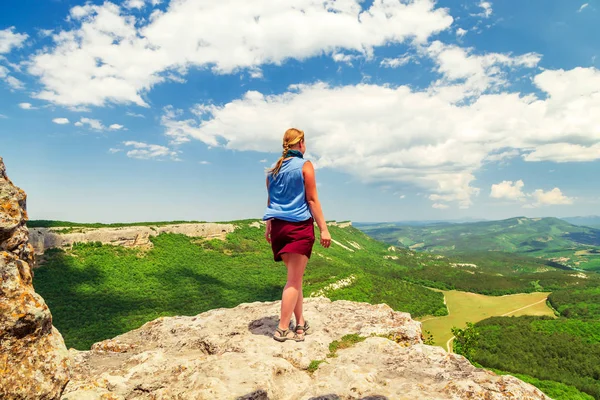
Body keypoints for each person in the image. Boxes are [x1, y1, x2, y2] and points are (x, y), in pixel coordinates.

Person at [263, 128, 331, 342]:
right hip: (298, 228)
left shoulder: (273, 171)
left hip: (279, 229)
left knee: (296, 279)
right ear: (300, 143)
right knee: (293, 281)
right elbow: (311, 200)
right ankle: (283, 328)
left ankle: (300, 323)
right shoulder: (305, 166)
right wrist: (324, 228)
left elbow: (271, 201)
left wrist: (268, 227)